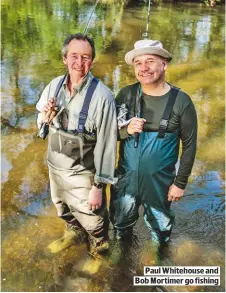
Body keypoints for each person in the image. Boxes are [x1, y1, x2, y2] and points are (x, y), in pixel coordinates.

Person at [110, 39, 197, 246]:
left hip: (160, 182)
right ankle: (120, 256)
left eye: (150, 61)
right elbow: (108, 134)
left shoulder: (181, 101)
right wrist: (125, 130)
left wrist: (180, 183)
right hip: (126, 177)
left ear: (164, 64)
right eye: (138, 63)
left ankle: (160, 256)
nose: (144, 68)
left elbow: (190, 145)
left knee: (160, 227)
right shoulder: (126, 95)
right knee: (120, 222)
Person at [36, 33, 117, 255]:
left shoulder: (103, 97)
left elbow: (108, 146)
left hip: (83, 174)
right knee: (62, 209)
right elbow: (40, 126)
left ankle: (99, 250)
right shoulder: (53, 86)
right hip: (55, 169)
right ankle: (72, 233)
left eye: (85, 57)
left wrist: (99, 187)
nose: (79, 63)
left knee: (94, 220)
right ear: (64, 59)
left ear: (92, 61)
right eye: (74, 56)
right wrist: (45, 117)